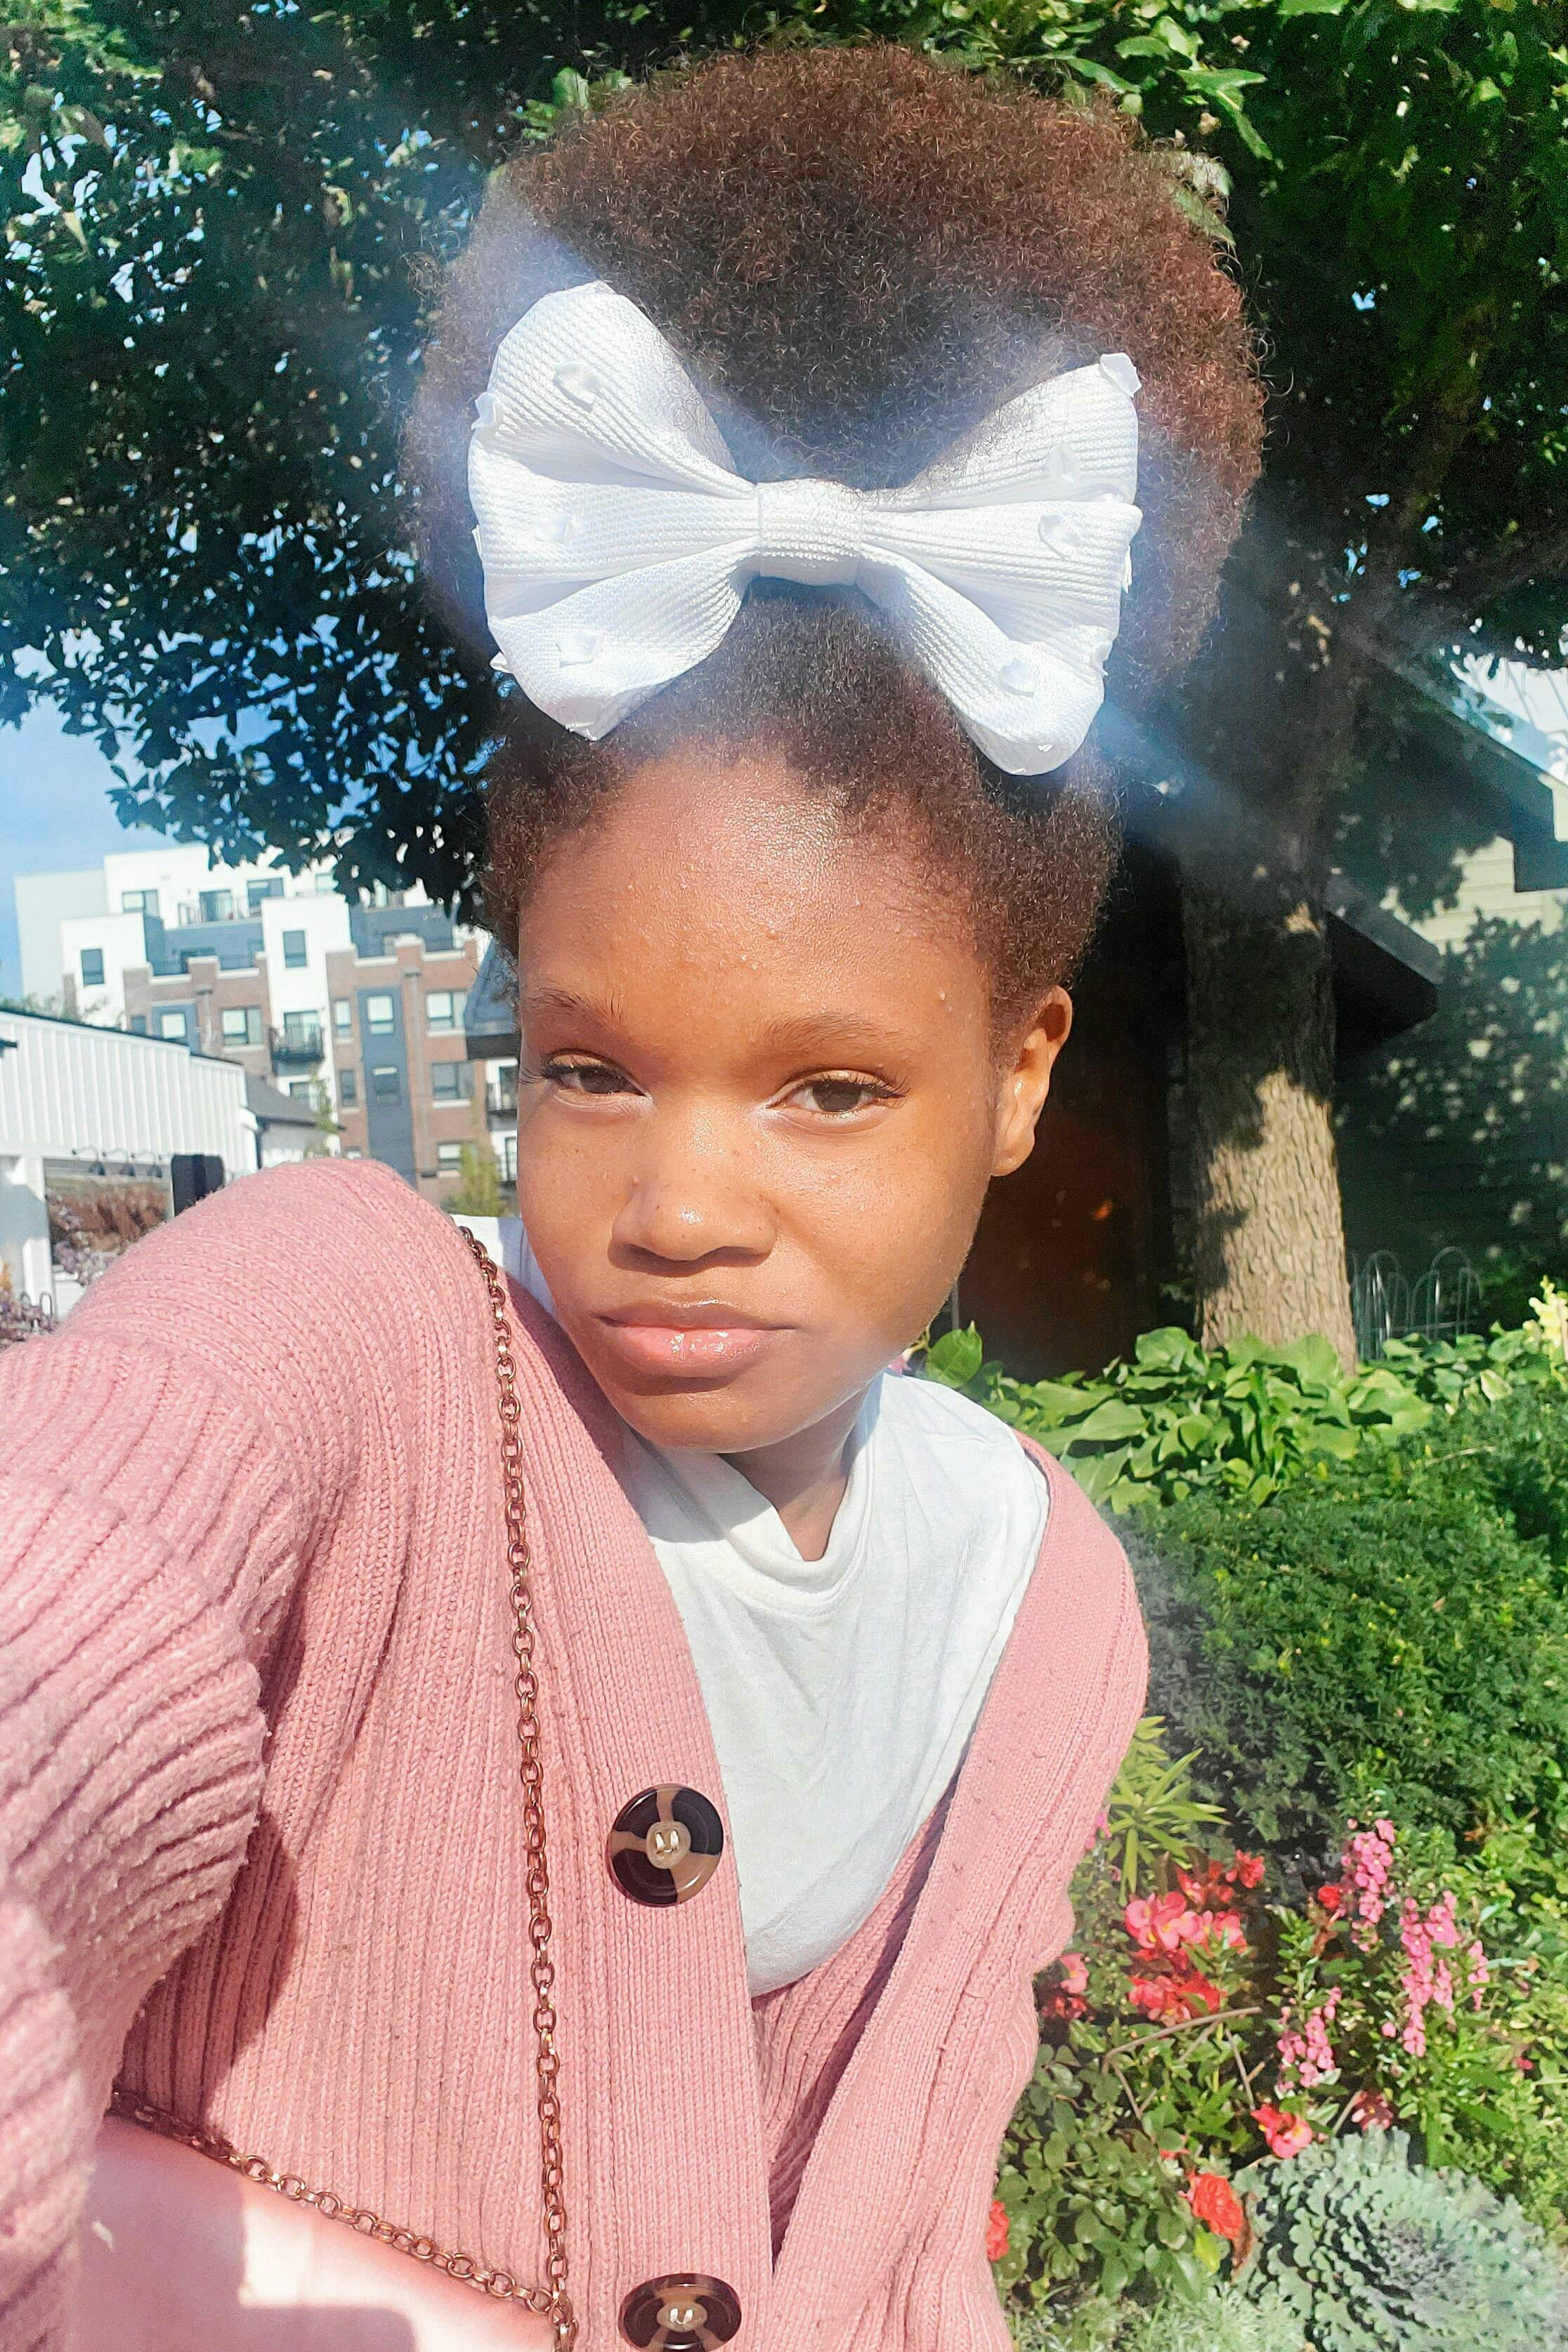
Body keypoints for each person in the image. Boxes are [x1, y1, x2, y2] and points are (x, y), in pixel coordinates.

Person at [0, 43, 1260, 2352]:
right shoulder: (336, 1338)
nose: (678, 1201)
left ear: (1020, 1071)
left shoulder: (1038, 1602)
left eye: (827, 1090)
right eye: (589, 1066)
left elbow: (903, 2245)